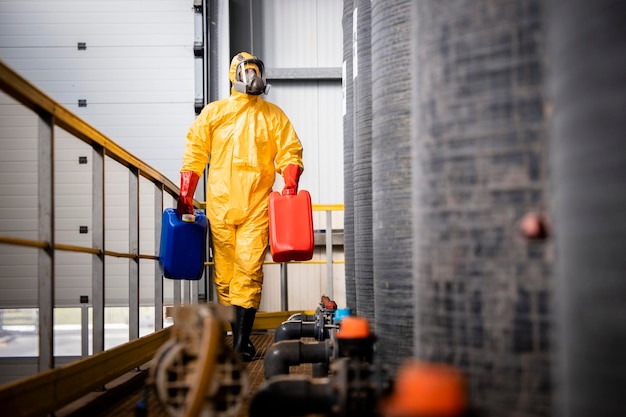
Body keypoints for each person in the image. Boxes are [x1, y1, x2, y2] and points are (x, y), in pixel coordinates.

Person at [177, 51, 304, 361]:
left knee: (248, 271)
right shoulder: (214, 113)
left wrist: (289, 181)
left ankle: (241, 342)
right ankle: (230, 337)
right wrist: (186, 193)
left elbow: (290, 150)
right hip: (220, 206)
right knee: (225, 275)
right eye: (248, 72)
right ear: (235, 74)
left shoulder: (273, 115)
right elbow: (195, 152)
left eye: (256, 71)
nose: (254, 77)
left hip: (257, 207)